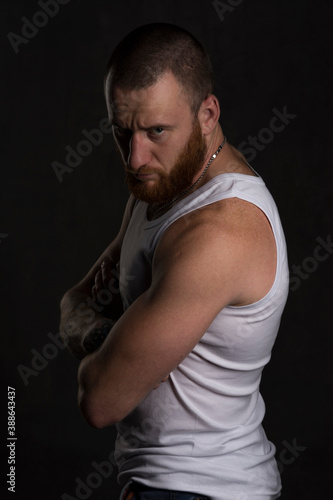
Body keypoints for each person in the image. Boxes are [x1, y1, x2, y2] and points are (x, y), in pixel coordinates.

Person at [59, 23, 289, 500]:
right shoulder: (156, 187)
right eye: (122, 132)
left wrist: (87, 335)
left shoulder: (220, 230)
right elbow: (80, 297)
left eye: (156, 130)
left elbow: (100, 399)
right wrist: (93, 327)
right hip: (156, 483)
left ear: (207, 114)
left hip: (209, 489)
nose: (136, 156)